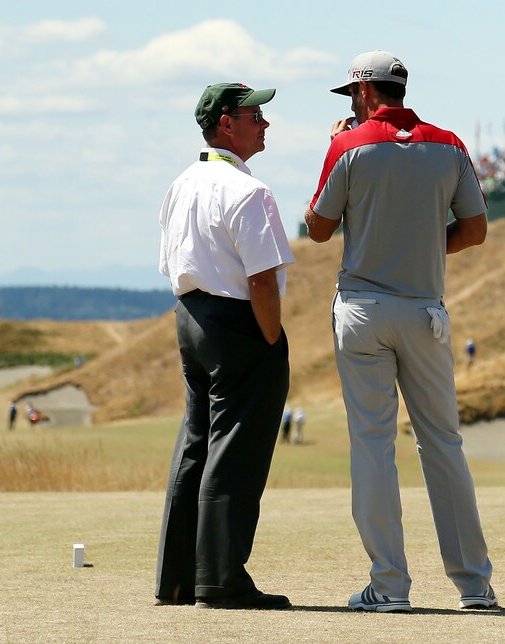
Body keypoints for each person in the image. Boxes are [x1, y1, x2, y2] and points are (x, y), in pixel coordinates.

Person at [305, 50, 496, 613]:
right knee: (443, 445)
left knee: (372, 445)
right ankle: (475, 586)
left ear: (364, 93)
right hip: (424, 313)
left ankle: (389, 586)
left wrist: (332, 146)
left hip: (363, 308)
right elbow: (476, 230)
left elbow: (317, 230)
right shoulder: (450, 145)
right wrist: (418, 244)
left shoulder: (348, 146)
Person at [155, 82, 295, 610]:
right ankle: (220, 580)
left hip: (191, 317)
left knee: (196, 445)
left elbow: (171, 260)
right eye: (254, 115)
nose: (264, 123)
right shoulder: (249, 192)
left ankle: (178, 579)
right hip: (238, 322)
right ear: (225, 124)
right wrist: (272, 337)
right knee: (235, 451)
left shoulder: (181, 183)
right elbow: (262, 280)